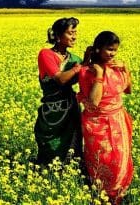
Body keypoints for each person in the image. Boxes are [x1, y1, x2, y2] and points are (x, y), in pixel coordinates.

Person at [77, 31, 133, 204]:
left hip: (118, 121)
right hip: (97, 123)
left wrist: (126, 69)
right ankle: (102, 196)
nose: (113, 54)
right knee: (103, 161)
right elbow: (93, 103)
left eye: (115, 50)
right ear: (98, 49)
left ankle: (118, 196)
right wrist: (100, 76)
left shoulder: (116, 68)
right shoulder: (87, 71)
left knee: (121, 160)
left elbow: (128, 90)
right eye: (109, 49)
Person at [34, 17, 88, 165]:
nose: (75, 37)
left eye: (75, 32)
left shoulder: (74, 58)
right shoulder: (46, 54)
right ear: (58, 35)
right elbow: (60, 79)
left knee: (73, 147)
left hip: (70, 108)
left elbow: (82, 80)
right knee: (51, 149)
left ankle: (70, 174)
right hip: (52, 111)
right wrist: (80, 66)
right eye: (71, 33)